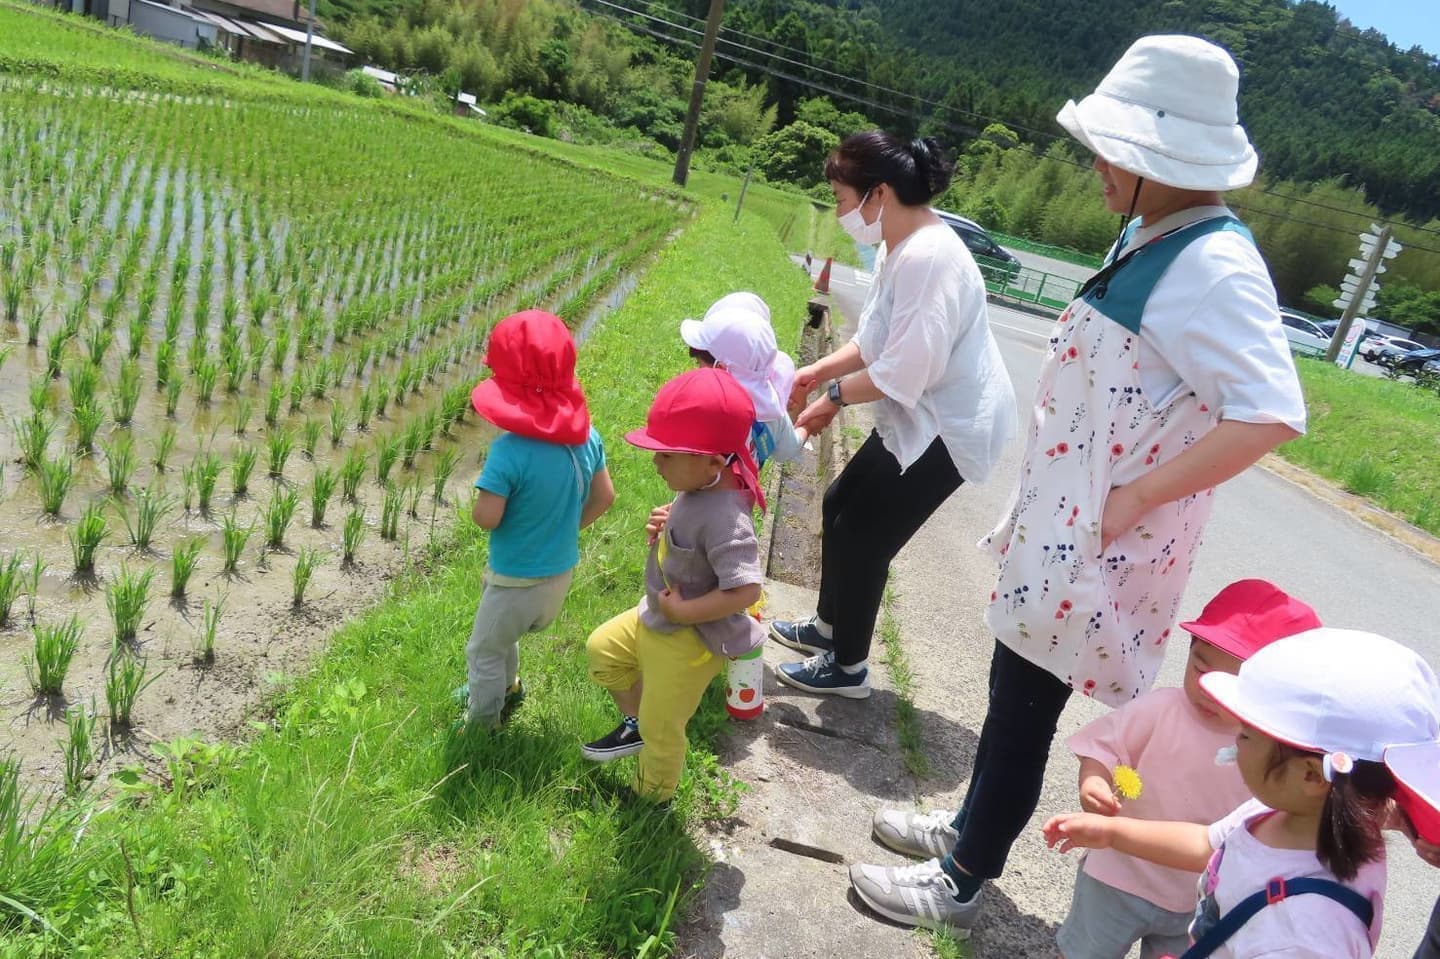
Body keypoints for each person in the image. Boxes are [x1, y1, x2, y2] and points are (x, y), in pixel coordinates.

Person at [852, 35, 1309, 933]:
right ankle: (966, 826)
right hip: (1068, 523)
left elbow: (1270, 412)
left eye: (1116, 152)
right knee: (1006, 684)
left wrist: (1135, 500)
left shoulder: (1215, 265)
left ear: (1161, 158)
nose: (1100, 165)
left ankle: (963, 878)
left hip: (1104, 541)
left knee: (1025, 705)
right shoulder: (1153, 231)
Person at [768, 129, 1017, 700]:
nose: (840, 211)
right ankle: (829, 629)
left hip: (949, 427)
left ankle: (848, 669)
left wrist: (830, 401)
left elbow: (905, 371)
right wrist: (815, 374)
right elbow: (876, 339)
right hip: (921, 414)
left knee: (864, 536)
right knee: (836, 505)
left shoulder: (929, 258)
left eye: (840, 197)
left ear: (877, 193)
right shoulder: (901, 245)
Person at [1042, 628, 1440, 958]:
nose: (1236, 739)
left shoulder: (1309, 935)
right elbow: (1208, 842)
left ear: (1310, 776)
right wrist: (1111, 833)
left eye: (1248, 734)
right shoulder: (1284, 814)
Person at [1052, 581, 1320, 959]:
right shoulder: (1162, 708)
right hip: (1119, 873)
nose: (1208, 690)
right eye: (1200, 668)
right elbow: (1103, 746)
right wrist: (1094, 780)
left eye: (1231, 684)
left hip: (1198, 897)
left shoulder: (1267, 753)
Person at [580, 368, 766, 804]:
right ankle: (637, 724)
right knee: (603, 651)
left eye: (667, 455)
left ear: (712, 463)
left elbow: (746, 591)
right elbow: (693, 531)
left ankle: (649, 802)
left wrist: (682, 613)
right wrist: (668, 526)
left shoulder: (726, 517)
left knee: (664, 728)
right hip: (659, 616)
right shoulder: (701, 485)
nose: (655, 462)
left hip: (690, 637)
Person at [453, 310, 614, 733]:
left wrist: (484, 488)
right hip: (558, 576)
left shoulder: (509, 452)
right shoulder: (588, 438)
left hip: (515, 580)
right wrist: (562, 529)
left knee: (484, 649)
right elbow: (605, 497)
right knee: (503, 637)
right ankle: (508, 688)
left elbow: (487, 518)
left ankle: (482, 726)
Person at [681, 291, 808, 468]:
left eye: (699, 364)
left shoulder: (702, 411)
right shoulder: (772, 408)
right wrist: (807, 426)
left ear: (720, 369)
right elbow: (787, 449)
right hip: (745, 495)